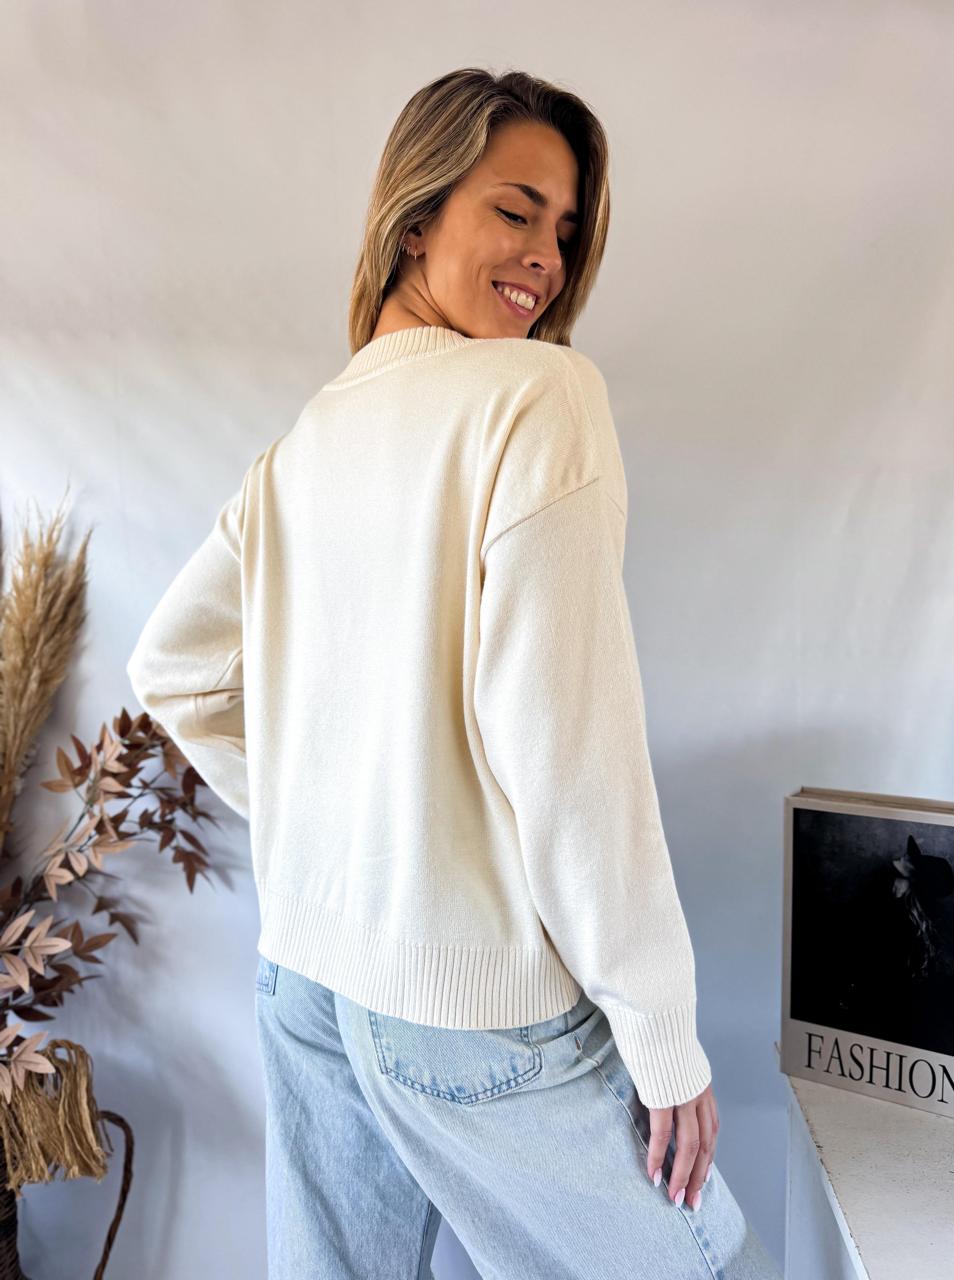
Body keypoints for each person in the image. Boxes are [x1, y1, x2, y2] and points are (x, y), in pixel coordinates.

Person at [127, 66, 783, 1280]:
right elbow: (571, 752)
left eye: (565, 229)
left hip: (307, 979)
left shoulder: (307, 441)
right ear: (417, 217)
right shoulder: (540, 397)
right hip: (475, 1008)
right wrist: (662, 1036)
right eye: (515, 210)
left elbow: (174, 666)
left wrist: (345, 820)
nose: (546, 257)